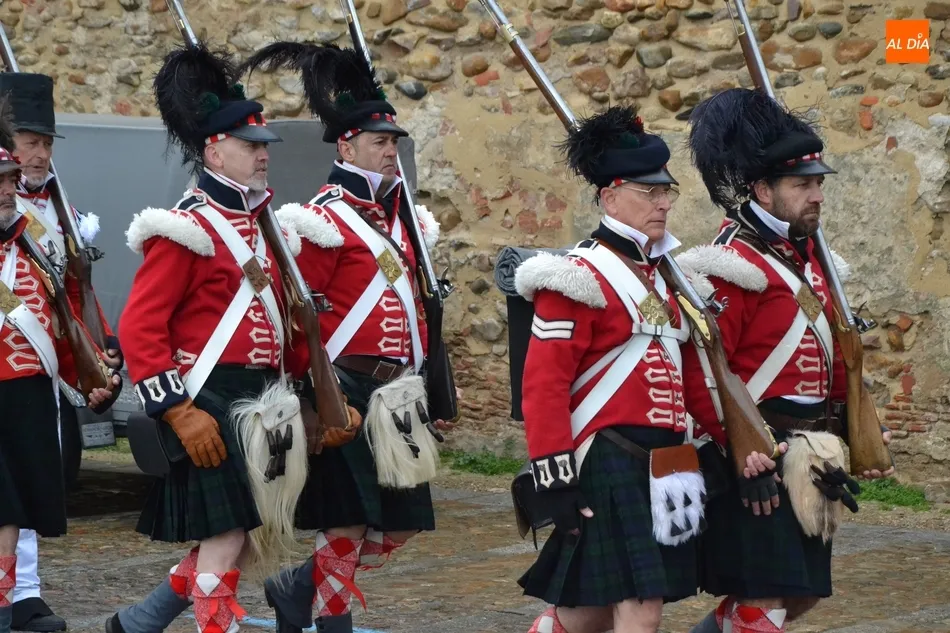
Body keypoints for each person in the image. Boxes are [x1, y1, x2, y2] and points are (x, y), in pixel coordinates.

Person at [237, 42, 455, 633]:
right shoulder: (322, 220)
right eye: (379, 142)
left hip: (399, 390)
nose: (390, 151)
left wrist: (432, 382)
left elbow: (416, 309)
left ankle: (295, 587)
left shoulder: (402, 220)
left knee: (404, 523)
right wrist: (312, 393)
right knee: (347, 523)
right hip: (345, 385)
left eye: (393, 143)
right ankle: (332, 621)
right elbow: (299, 315)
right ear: (346, 147)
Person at [106, 42, 318, 633]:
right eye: (249, 146)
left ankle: (140, 622)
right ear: (213, 151)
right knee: (226, 536)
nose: (263, 154)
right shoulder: (186, 228)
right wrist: (177, 410)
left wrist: (308, 396)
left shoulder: (266, 229)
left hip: (263, 399)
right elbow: (140, 326)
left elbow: (287, 324)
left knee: (243, 535)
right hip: (208, 395)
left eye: (264, 145)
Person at [678, 88, 894, 633]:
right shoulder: (731, 263)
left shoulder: (813, 259)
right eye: (802, 185)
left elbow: (834, 354)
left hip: (811, 452)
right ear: (762, 190)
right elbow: (703, 372)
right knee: (766, 599)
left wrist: (855, 426)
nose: (816, 195)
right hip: (758, 451)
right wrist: (740, 452)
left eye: (818, 183)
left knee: (801, 596)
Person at [510, 105, 725, 633]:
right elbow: (543, 385)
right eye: (648, 192)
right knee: (640, 609)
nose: (663, 203)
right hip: (608, 459)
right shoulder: (577, 277)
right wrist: (554, 478)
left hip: (666, 463)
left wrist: (739, 443)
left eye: (666, 192)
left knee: (587, 614)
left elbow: (690, 381)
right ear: (610, 198)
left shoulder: (668, 279)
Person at [0, 72, 123, 633]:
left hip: (36, 373)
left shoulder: (55, 209)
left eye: (47, 143)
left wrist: (96, 357)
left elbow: (68, 300)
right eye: (31, 142)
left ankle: (21, 594)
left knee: (26, 489)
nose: (40, 154)